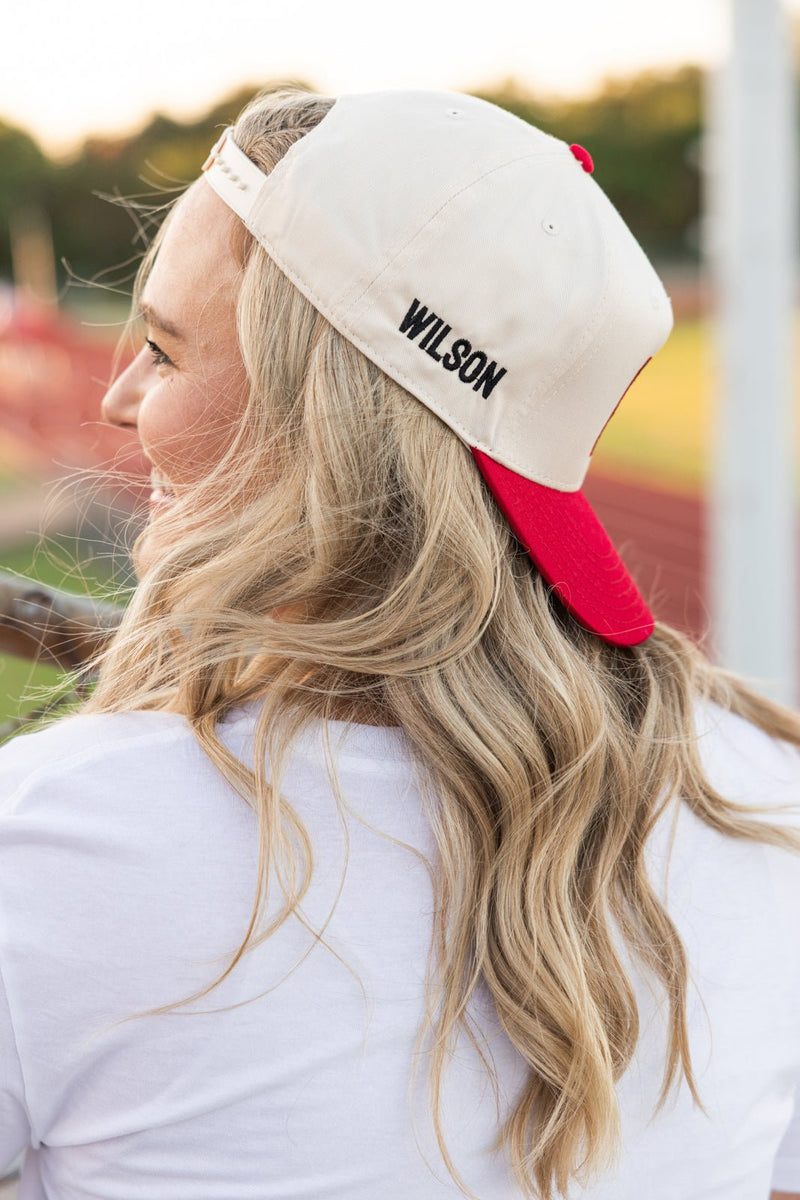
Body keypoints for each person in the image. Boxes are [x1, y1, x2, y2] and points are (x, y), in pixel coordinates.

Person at [1, 85, 799, 1200]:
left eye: (168, 352)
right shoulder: (762, 798)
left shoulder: (53, 843)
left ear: (314, 419)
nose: (122, 397)